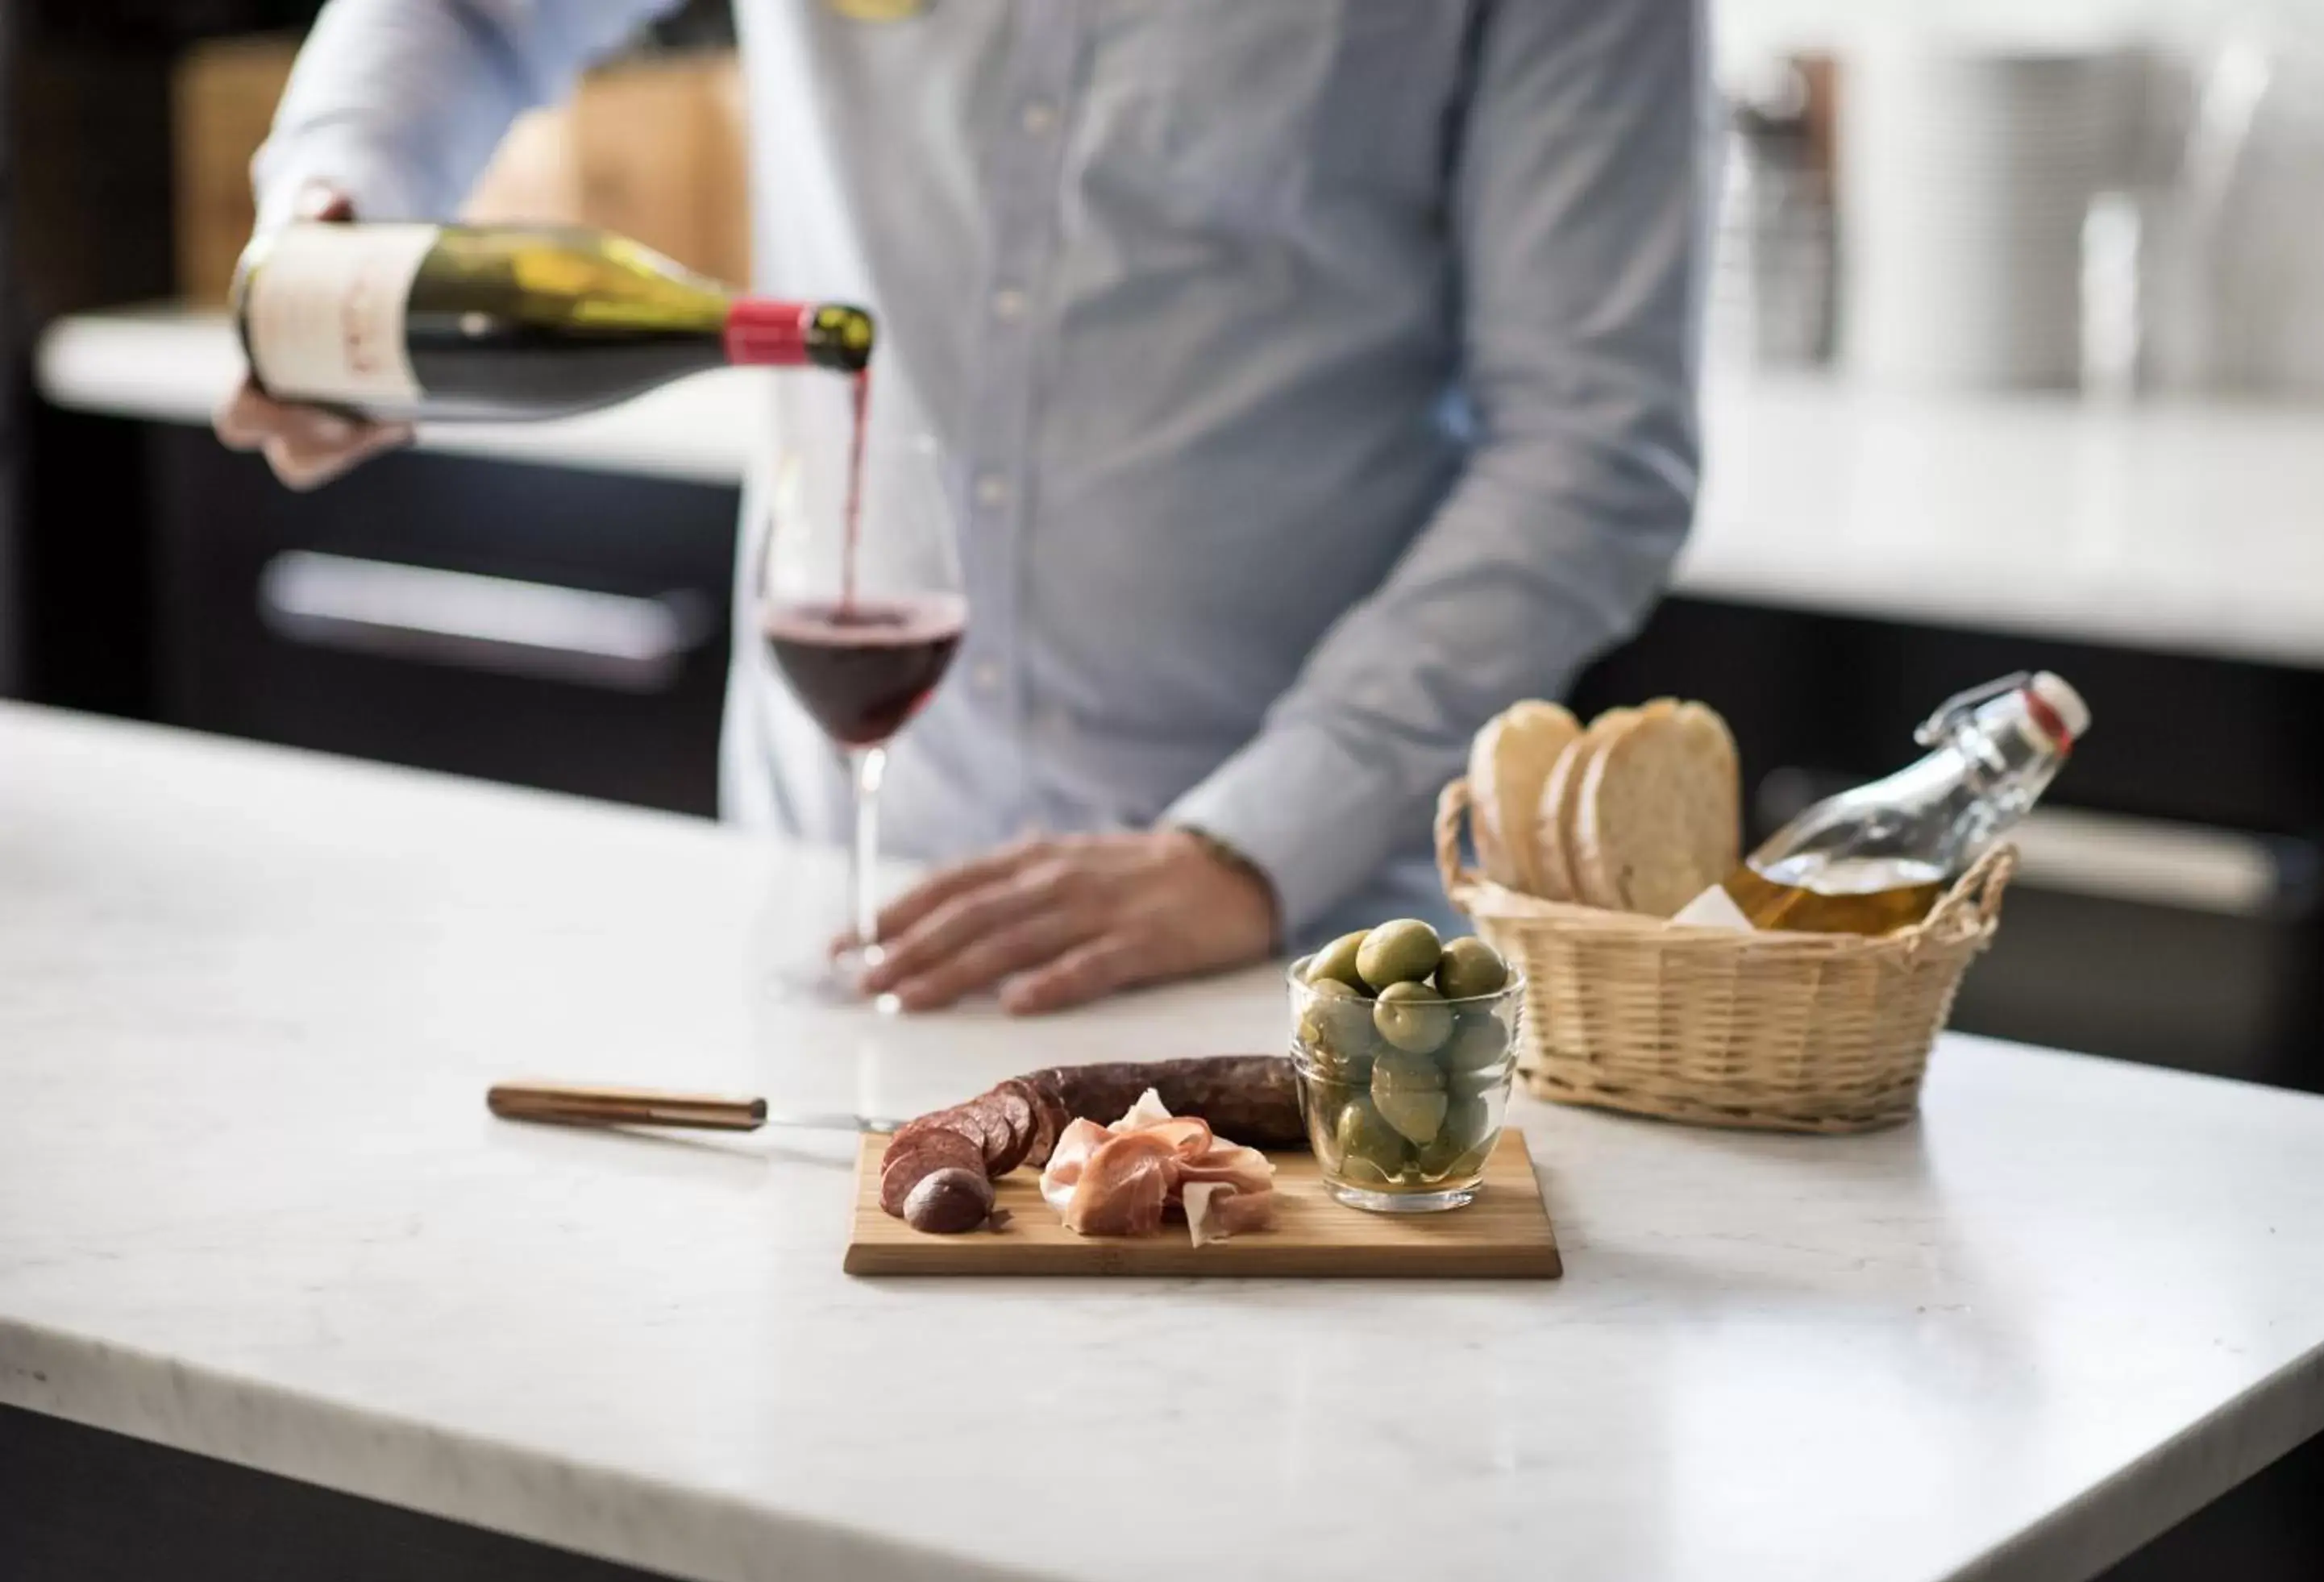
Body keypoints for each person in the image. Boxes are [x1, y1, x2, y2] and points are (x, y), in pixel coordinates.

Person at [217, 0, 1709, 1014]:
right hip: (844, 900)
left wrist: (1251, 845)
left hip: (1310, 958)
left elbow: (1593, 445)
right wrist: (340, 198)